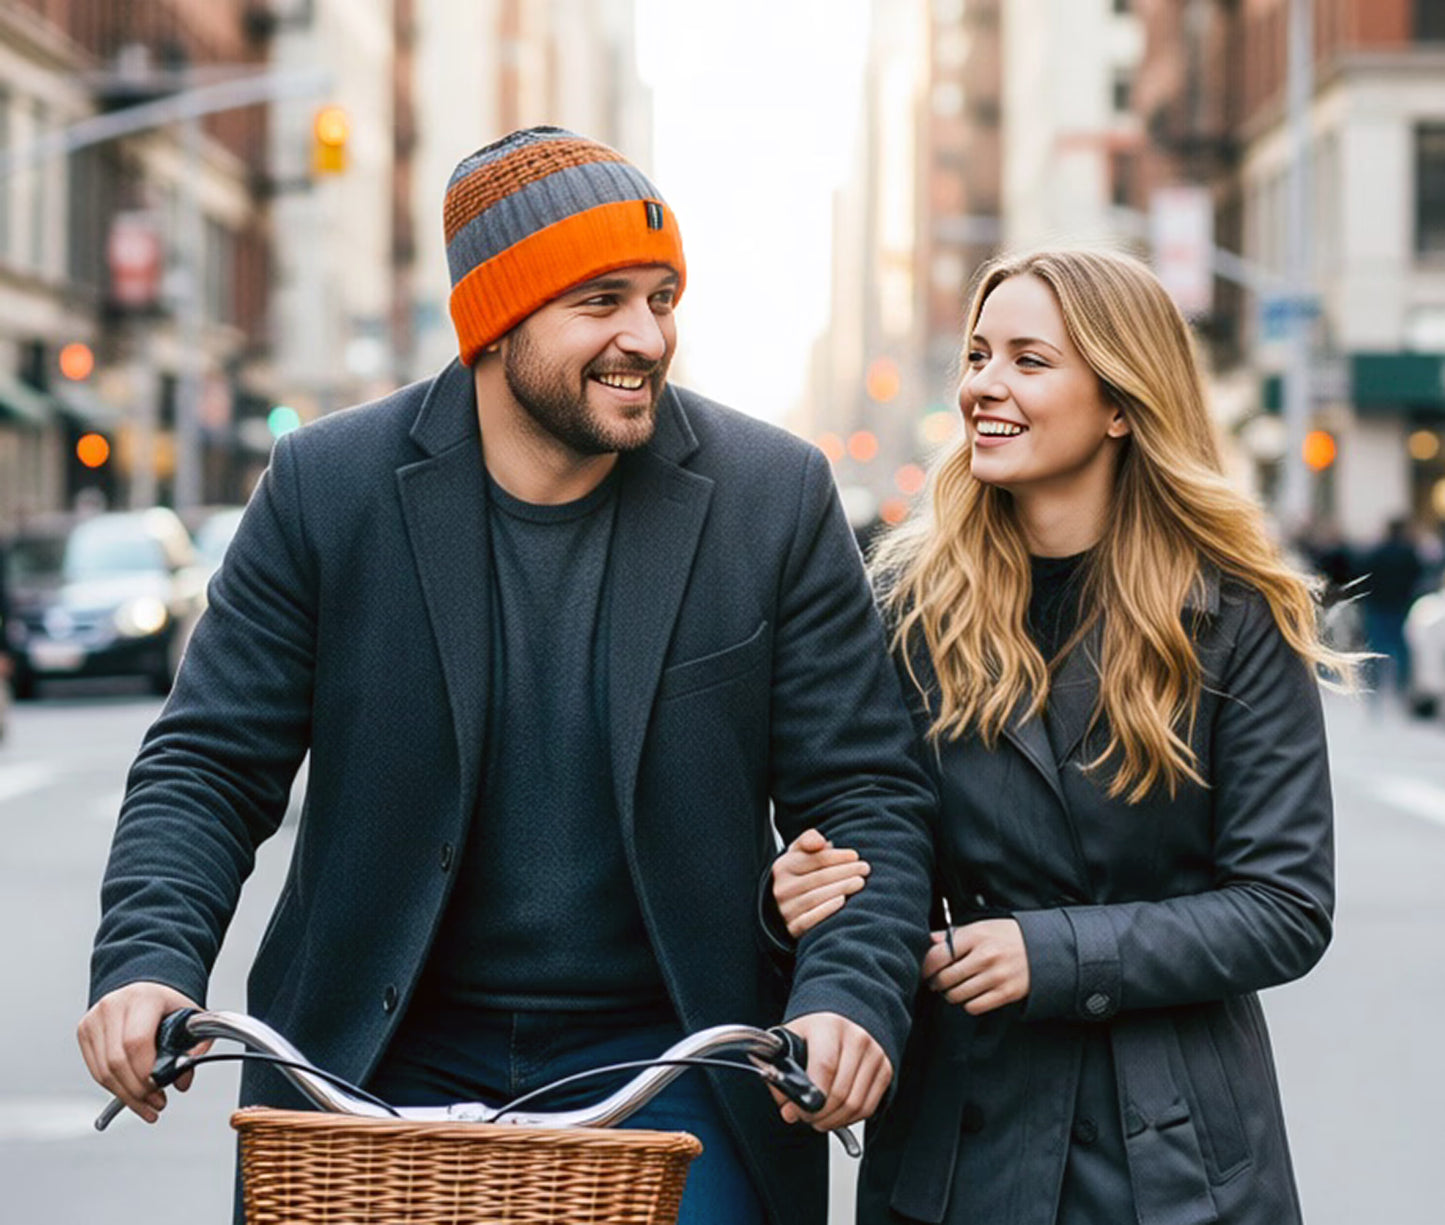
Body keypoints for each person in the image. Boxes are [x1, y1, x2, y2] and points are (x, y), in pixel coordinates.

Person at [78, 127, 935, 1225]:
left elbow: (866, 790)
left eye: (662, 297)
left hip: (677, 1058)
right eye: (602, 301)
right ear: (495, 319)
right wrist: (146, 961)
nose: (647, 336)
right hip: (377, 1057)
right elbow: (206, 763)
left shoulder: (774, 497)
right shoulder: (325, 488)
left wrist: (848, 993)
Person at [771, 248, 1348, 1225]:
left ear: (1120, 403)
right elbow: (874, 832)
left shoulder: (1233, 612)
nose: (982, 387)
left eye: (1027, 361)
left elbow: (1284, 904)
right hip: (959, 1148)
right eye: (977, 354)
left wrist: (1056, 953)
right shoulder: (908, 609)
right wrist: (798, 887)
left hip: (1173, 1164)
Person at [1358, 516, 1423, 699]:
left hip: (1378, 605)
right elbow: (1417, 577)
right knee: (1402, 647)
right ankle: (1401, 685)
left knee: (1377, 646)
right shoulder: (1409, 553)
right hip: (1401, 605)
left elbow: (1365, 578)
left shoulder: (1376, 553)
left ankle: (1375, 684)